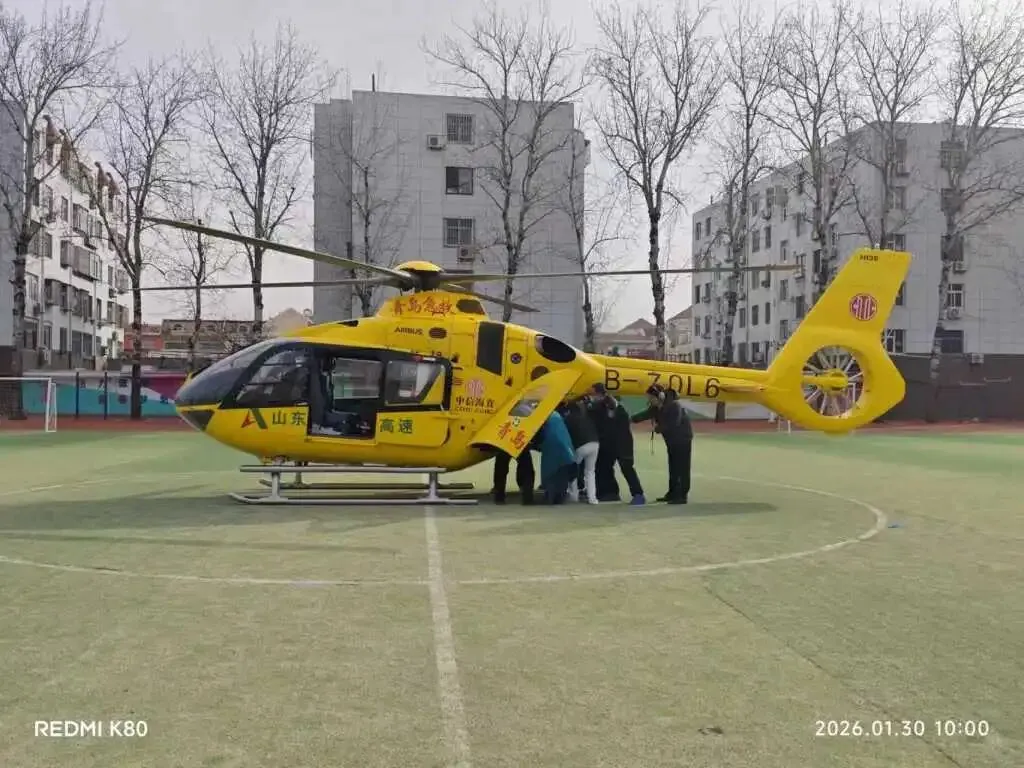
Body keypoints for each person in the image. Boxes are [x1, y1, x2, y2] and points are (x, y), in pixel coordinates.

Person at [630, 384, 693, 504]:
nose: (649, 400)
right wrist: (630, 419)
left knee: (682, 468)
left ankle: (682, 495)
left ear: (659, 396)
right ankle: (672, 493)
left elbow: (674, 423)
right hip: (671, 441)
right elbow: (644, 415)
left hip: (682, 440)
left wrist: (658, 429)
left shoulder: (674, 405)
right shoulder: (656, 407)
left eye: (651, 398)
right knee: (673, 467)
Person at [588, 384, 645, 505]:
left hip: (619, 443)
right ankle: (611, 493)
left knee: (625, 468)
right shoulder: (613, 406)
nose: (592, 397)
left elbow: (607, 425)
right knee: (607, 467)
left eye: (593, 394)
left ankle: (638, 494)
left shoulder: (604, 407)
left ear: (598, 394)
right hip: (617, 443)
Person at [558, 397, 600, 504]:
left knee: (572, 469)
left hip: (581, 446)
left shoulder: (569, 419)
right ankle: (592, 498)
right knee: (590, 472)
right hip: (595, 443)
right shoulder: (586, 417)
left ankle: (573, 495)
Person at [536, 410, 579, 504]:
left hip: (552, 451)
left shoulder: (545, 417)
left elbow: (543, 435)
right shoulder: (556, 417)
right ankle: (559, 497)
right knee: (561, 476)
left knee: (552, 475)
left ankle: (551, 497)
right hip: (564, 451)